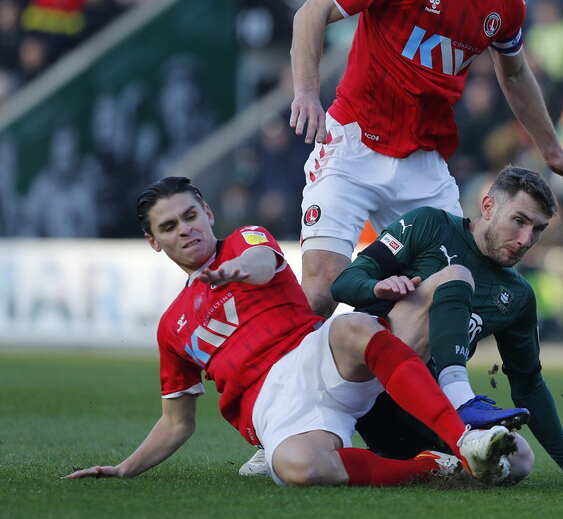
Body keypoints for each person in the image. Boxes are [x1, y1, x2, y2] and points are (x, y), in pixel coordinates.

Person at [63, 177, 529, 487]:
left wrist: (232, 272)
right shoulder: (172, 327)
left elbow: (262, 263)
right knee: (297, 466)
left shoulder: (245, 241)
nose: (185, 230)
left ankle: (463, 435)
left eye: (190, 216)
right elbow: (177, 422)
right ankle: (432, 467)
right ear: (153, 242)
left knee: (349, 325)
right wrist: (125, 470)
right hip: (271, 408)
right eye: (169, 226)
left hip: (311, 356)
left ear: (206, 212)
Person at [287, 0, 563, 330]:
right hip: (352, 145)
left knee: (452, 295)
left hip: (423, 163)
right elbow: (313, 11)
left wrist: (552, 150)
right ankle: (271, 386)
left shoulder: (507, 0)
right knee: (320, 291)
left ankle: (428, 395)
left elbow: (514, 73)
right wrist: (308, 93)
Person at [330, 166, 563, 484]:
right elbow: (344, 283)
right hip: (362, 378)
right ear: (488, 207)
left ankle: (411, 463)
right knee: (455, 277)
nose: (525, 240)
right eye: (519, 221)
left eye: (538, 229)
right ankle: (461, 402)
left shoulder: (518, 296)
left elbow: (528, 384)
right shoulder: (430, 225)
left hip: (418, 404)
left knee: (518, 459)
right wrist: (375, 288)